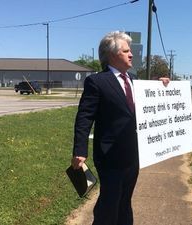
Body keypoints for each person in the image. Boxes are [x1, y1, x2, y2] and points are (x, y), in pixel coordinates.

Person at [71, 31, 169, 225]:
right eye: (126, 51)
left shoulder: (133, 80)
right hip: (109, 155)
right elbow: (84, 117)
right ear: (113, 54)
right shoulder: (97, 82)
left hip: (132, 154)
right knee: (110, 202)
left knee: (125, 201)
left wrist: (160, 86)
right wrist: (79, 150)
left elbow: (147, 102)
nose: (131, 54)